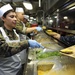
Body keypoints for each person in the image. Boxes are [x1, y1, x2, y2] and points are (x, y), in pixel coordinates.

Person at [0, 4, 44, 75]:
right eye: (11, 17)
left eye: (15, 16)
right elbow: (3, 49)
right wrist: (27, 43)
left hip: (18, 69)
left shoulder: (15, 32)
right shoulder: (1, 32)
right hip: (6, 72)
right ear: (3, 18)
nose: (15, 19)